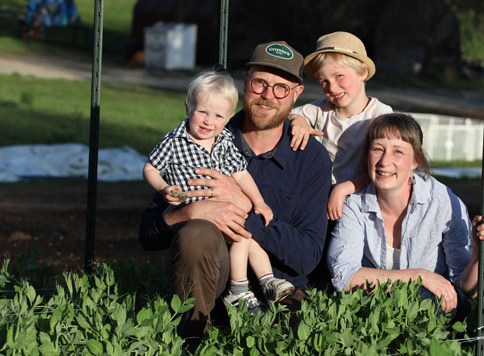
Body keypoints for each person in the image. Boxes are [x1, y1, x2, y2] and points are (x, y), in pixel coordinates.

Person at [139, 41, 332, 346]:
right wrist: (188, 212)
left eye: (281, 88)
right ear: (245, 83)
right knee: (197, 232)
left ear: (296, 95)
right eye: (260, 83)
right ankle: (193, 338)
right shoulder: (205, 131)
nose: (268, 95)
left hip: (278, 292)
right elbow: (148, 235)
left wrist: (244, 208)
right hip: (214, 287)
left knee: (296, 337)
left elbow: (307, 257)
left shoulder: (311, 158)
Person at [142, 71, 293, 315]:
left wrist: (260, 202)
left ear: (228, 117)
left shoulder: (224, 141)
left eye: (218, 116)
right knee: (236, 238)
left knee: (246, 235)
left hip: (223, 211)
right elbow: (150, 167)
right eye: (202, 111)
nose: (208, 121)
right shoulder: (174, 141)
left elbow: (241, 174)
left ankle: (267, 281)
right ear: (188, 106)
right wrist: (163, 187)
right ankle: (238, 288)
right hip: (191, 209)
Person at [326, 113, 484, 322]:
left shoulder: (443, 201)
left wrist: (479, 253)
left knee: (423, 301)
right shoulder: (354, 204)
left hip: (433, 309)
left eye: (398, 151)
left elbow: (467, 288)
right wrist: (420, 276)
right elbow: (344, 277)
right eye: (377, 149)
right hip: (376, 308)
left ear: (415, 160)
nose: (384, 161)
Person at [288, 31, 393, 221]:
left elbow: (382, 166)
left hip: (363, 200)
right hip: (320, 198)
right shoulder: (320, 110)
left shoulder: (379, 115)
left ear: (363, 72)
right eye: (324, 81)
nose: (332, 88)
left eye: (339, 76)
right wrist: (299, 121)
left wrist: (344, 188)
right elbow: (285, 115)